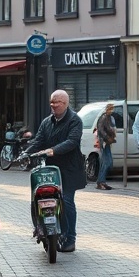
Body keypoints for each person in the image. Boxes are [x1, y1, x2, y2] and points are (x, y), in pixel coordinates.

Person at [26, 89, 87, 252]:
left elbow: (72, 141)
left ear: (65, 103)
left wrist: (53, 150)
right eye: (52, 102)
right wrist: (26, 153)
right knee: (39, 197)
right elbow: (38, 140)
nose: (53, 105)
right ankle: (41, 227)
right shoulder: (47, 122)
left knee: (66, 201)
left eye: (57, 102)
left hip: (70, 169)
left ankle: (70, 238)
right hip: (50, 168)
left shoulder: (75, 120)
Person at [93, 102, 116, 190]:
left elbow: (112, 128)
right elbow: (100, 130)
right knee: (107, 162)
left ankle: (101, 181)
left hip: (107, 142)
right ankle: (101, 182)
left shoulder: (110, 118)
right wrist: (107, 137)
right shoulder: (103, 118)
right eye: (110, 109)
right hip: (104, 142)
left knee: (107, 162)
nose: (111, 111)